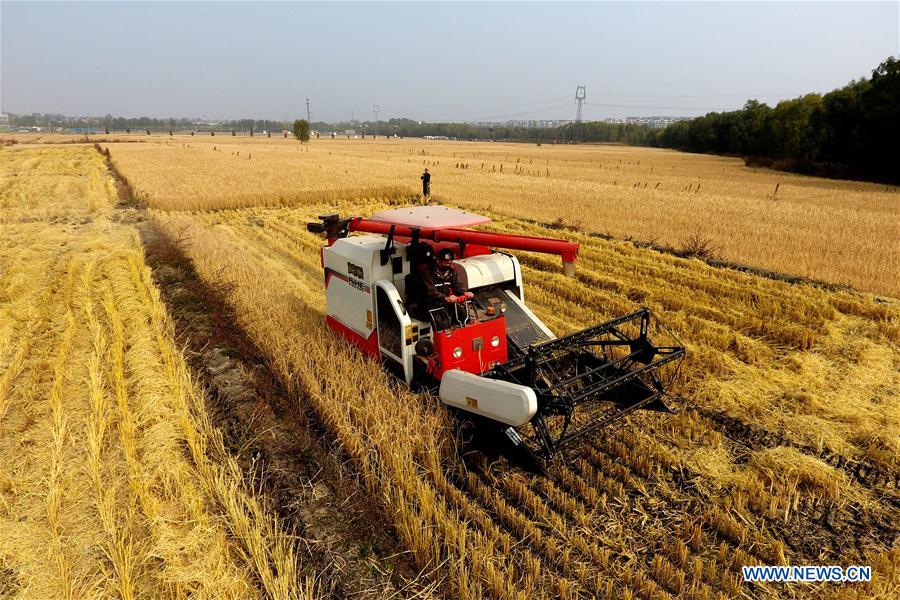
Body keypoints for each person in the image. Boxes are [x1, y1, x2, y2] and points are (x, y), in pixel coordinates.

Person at [420, 247, 474, 330]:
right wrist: (445, 298)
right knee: (442, 325)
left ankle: (465, 331)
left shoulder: (451, 271)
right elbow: (431, 291)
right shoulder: (428, 273)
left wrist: (464, 292)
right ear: (438, 260)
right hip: (431, 305)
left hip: (446, 303)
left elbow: (457, 286)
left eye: (450, 263)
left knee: (463, 315)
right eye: (445, 263)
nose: (448, 265)